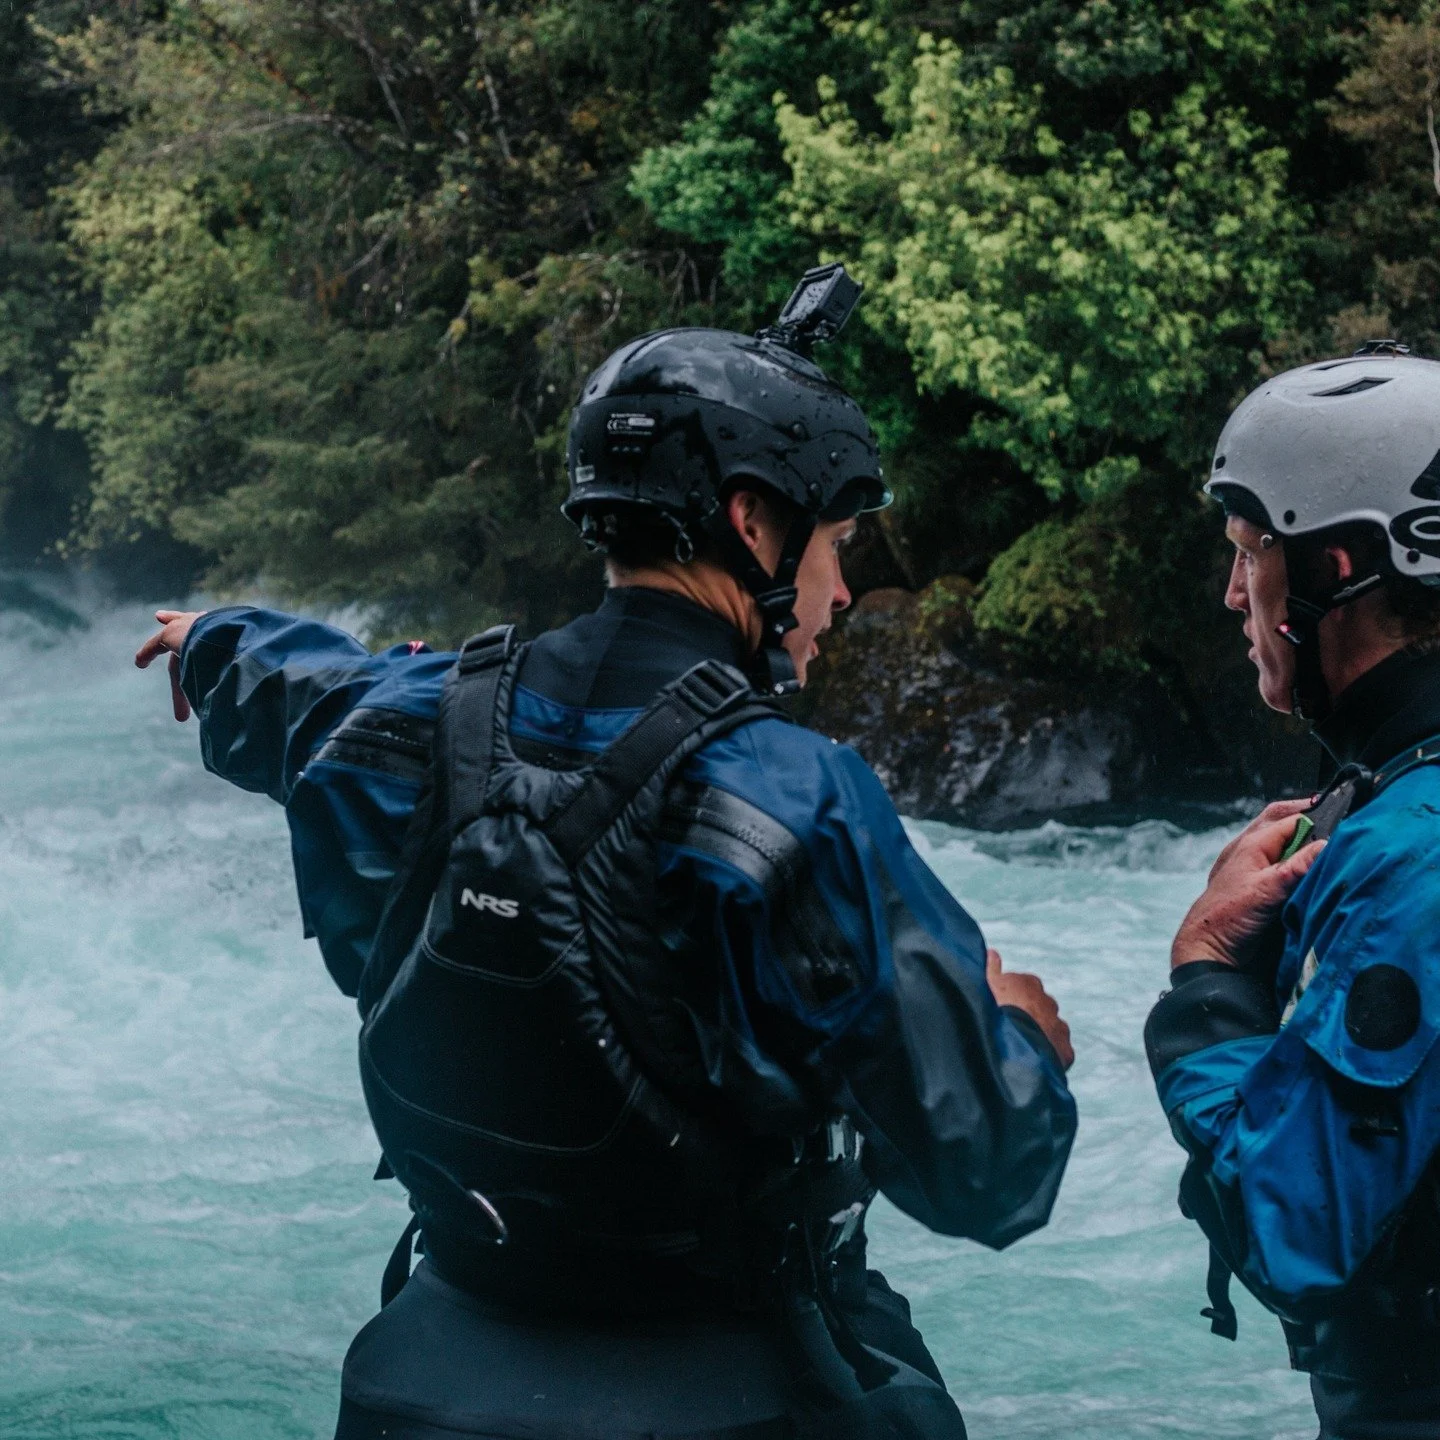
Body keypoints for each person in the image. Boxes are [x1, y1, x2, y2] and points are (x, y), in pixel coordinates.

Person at [137, 267, 1077, 1440]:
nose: (843, 588)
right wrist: (1018, 1039)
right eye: (836, 543)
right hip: (725, 1385)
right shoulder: (798, 797)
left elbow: (297, 686)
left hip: (433, 1359)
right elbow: (990, 1171)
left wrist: (207, 637)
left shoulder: (413, 718)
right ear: (752, 522)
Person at [1145, 344, 1440, 1438]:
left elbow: (1291, 1235)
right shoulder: (1392, 800)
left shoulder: (1410, 855)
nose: (1233, 593)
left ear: (1338, 567)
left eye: (1249, 552)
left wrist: (1208, 984)